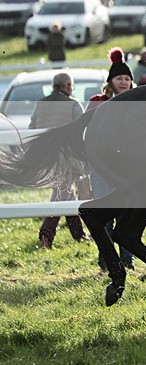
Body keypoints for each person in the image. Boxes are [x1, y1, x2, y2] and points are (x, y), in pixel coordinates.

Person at [87, 48, 136, 270]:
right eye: (119, 78)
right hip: (101, 164)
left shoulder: (137, 102)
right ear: (111, 81)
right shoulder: (98, 101)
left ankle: (127, 261)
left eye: (127, 78)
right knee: (104, 215)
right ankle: (106, 260)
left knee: (127, 213)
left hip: (127, 166)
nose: (124, 82)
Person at [30, 72, 87, 249]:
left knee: (66, 194)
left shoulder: (40, 104)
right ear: (68, 86)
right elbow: (82, 131)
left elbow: (32, 128)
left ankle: (79, 235)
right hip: (67, 158)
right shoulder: (73, 105)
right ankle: (45, 236)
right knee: (62, 195)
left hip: (46, 157)